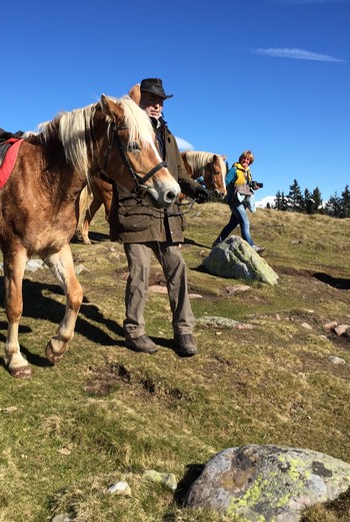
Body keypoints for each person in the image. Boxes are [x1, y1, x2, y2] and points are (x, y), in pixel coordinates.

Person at [109, 78, 209, 357]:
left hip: (168, 217)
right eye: (151, 100)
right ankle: (135, 331)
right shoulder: (129, 131)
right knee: (139, 273)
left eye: (160, 101)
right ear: (140, 102)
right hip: (137, 213)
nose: (156, 105)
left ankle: (184, 331)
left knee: (177, 270)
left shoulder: (168, 136)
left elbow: (178, 173)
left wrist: (195, 188)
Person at [212, 150, 264, 252]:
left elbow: (245, 186)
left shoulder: (248, 173)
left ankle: (217, 242)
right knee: (245, 222)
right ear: (240, 159)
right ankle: (251, 246)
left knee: (232, 224)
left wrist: (254, 187)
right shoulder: (234, 170)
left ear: (250, 161)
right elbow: (225, 181)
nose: (245, 160)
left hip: (243, 201)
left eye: (248, 159)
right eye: (244, 158)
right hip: (234, 201)